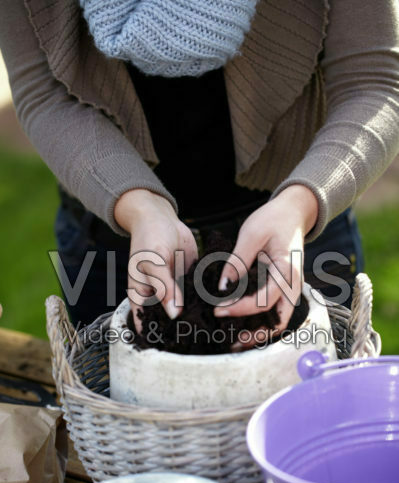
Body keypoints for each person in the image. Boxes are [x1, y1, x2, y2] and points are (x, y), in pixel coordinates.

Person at [1, 0, 398, 346]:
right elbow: (45, 94)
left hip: (293, 234)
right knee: (128, 424)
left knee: (315, 421)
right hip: (116, 236)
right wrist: (140, 208)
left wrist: (300, 205)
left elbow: (374, 83)